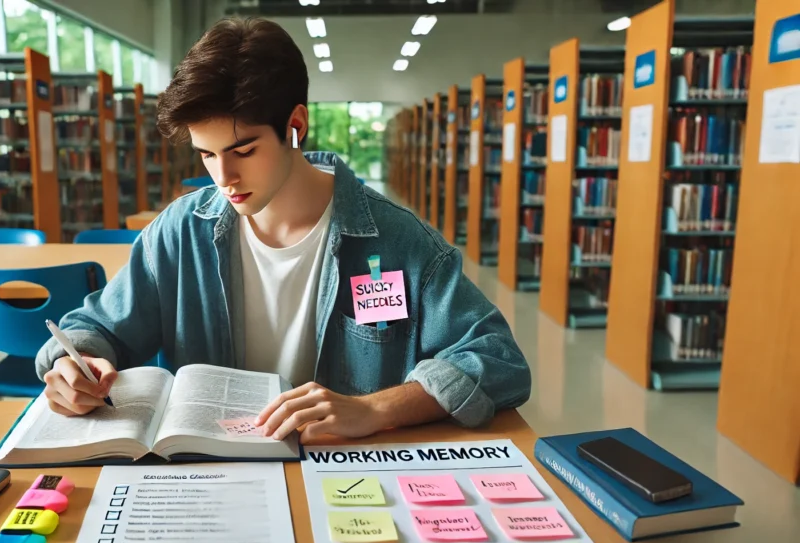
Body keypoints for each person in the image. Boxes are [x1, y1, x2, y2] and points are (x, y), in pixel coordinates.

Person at [36, 17, 531, 443]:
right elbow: (96, 328)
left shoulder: (399, 242)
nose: (223, 178)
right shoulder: (179, 233)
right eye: (206, 155)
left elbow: (498, 358)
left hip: (343, 473)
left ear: (296, 125)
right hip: (212, 474)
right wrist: (73, 365)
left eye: (243, 151)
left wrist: (376, 409)